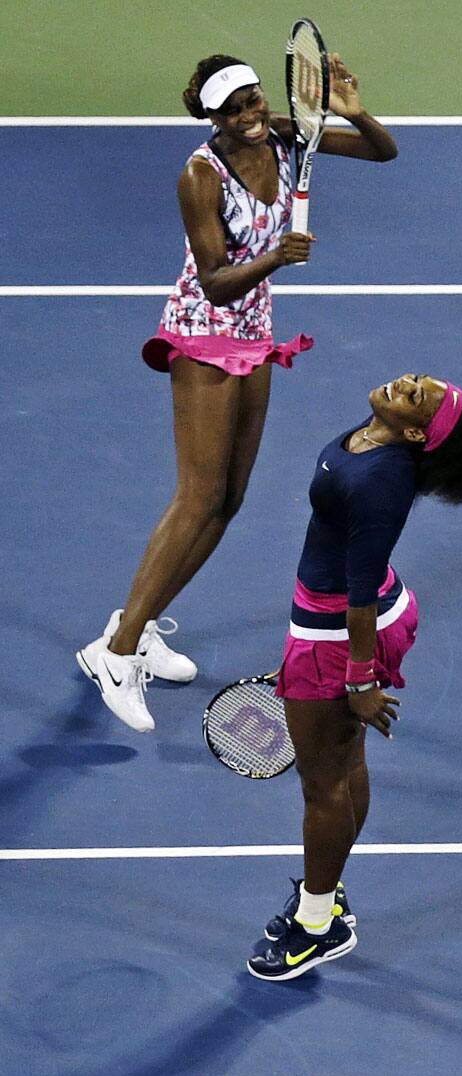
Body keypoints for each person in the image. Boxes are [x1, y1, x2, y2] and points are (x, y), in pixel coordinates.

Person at [76, 52, 398, 732]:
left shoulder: (281, 132)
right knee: (196, 497)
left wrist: (350, 111)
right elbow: (217, 279)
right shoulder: (199, 175)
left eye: (256, 101)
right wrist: (278, 255)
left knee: (229, 501)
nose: (252, 115)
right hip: (204, 331)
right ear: (212, 119)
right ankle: (117, 652)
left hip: (255, 330)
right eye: (237, 109)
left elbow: (382, 152)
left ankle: (134, 620)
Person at [247, 372, 462, 980]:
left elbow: (359, 594)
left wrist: (358, 680)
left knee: (324, 787)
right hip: (330, 629)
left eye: (415, 395)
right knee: (345, 766)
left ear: (415, 432)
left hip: (346, 634)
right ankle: (327, 893)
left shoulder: (380, 482)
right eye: (420, 380)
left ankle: (316, 924)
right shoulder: (369, 441)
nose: (407, 382)